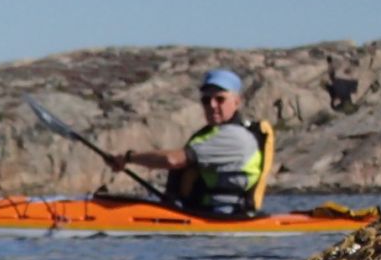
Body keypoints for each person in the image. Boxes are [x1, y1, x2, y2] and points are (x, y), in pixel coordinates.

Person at [108, 69, 264, 215]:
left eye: (220, 99)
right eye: (206, 100)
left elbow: (172, 160)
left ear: (237, 102)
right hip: (201, 214)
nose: (212, 105)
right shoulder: (214, 134)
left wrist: (129, 158)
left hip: (222, 218)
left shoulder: (233, 137)